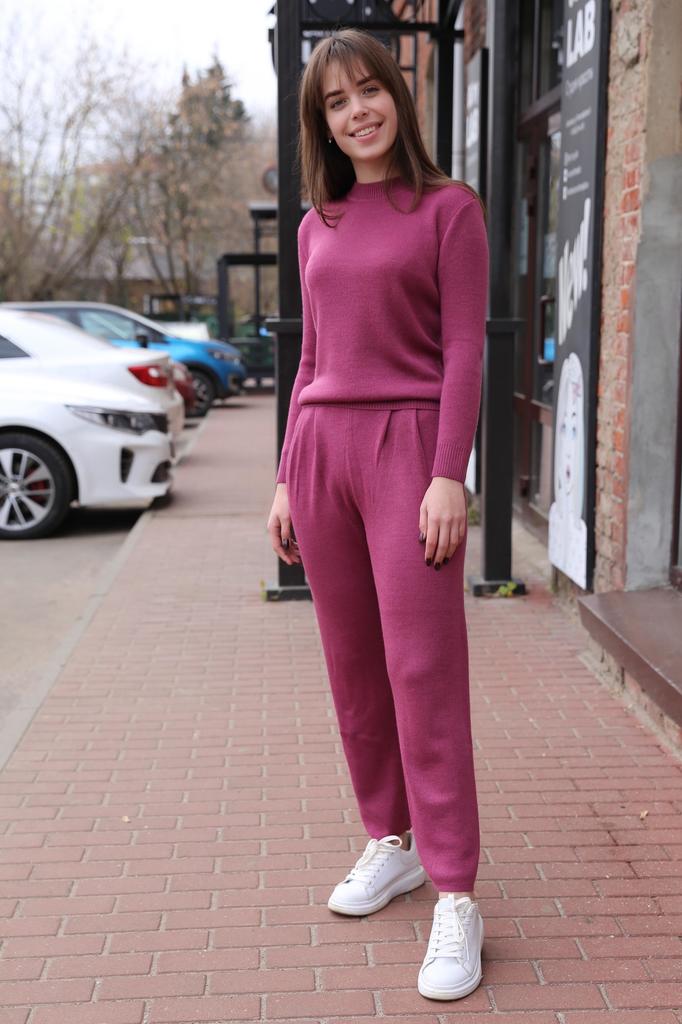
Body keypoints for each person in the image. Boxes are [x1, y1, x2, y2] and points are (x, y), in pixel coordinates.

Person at [266, 27, 489, 1002]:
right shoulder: (316, 224)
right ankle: (389, 842)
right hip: (322, 452)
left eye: (369, 90)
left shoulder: (449, 209)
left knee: (422, 670)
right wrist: (284, 475)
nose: (357, 111)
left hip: (409, 450)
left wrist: (449, 473)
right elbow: (311, 359)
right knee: (353, 666)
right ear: (321, 122)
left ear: (398, 95)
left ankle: (456, 892)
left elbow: (465, 349)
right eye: (336, 101)